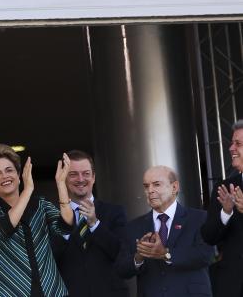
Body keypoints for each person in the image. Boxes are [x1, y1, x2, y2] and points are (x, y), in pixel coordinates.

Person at [0, 144, 74, 297]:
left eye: (9, 170)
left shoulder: (39, 205)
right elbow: (2, 230)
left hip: (51, 291)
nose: (5, 176)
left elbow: (66, 226)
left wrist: (61, 185)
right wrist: (27, 190)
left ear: (18, 174)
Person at [115, 165, 213, 297]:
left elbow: (205, 255)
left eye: (156, 185)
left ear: (174, 187)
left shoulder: (199, 218)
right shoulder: (134, 226)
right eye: (146, 186)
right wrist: (139, 257)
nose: (150, 190)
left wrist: (166, 254)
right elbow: (122, 270)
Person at [51, 150, 129, 297]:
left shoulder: (115, 212)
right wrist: (65, 225)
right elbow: (49, 261)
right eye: (73, 174)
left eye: (86, 173)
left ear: (93, 177)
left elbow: (121, 254)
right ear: (64, 179)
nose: (81, 179)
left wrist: (94, 224)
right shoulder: (52, 217)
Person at [201, 119, 243, 297]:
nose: (231, 148)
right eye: (232, 143)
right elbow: (208, 236)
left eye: (238, 144)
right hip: (232, 284)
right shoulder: (225, 187)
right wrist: (225, 212)